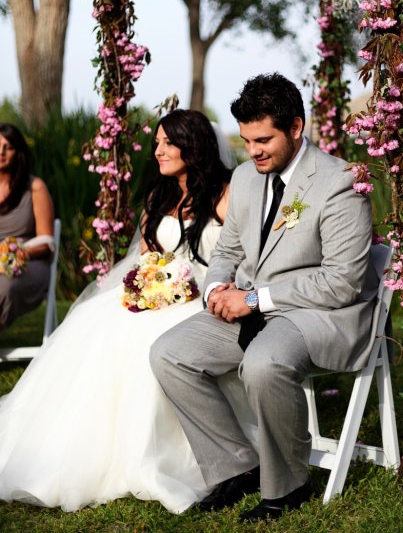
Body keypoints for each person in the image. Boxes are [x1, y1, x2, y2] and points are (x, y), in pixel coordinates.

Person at [150, 73, 379, 522]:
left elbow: (343, 282)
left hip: (321, 316)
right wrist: (217, 288)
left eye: (263, 139)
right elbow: (229, 251)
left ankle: (290, 485)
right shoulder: (245, 178)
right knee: (169, 353)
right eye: (246, 139)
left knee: (263, 362)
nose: (253, 150)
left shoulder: (340, 182)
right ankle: (238, 465)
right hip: (253, 313)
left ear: (296, 127)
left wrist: (253, 300)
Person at [0, 109, 235, 512]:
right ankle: (85, 447)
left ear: (192, 146)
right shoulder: (158, 196)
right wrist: (146, 286)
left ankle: (162, 451)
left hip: (204, 294)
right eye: (157, 142)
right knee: (101, 328)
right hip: (159, 290)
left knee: (151, 345)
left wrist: (189, 286)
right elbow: (145, 258)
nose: (157, 151)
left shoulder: (225, 194)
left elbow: (237, 254)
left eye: (166, 143)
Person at [0, 123, 54, 330]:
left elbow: (46, 243)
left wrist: (11, 254)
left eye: (8, 147)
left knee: (5, 285)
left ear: (18, 152)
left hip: (28, 261)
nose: (1, 152)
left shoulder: (34, 187)